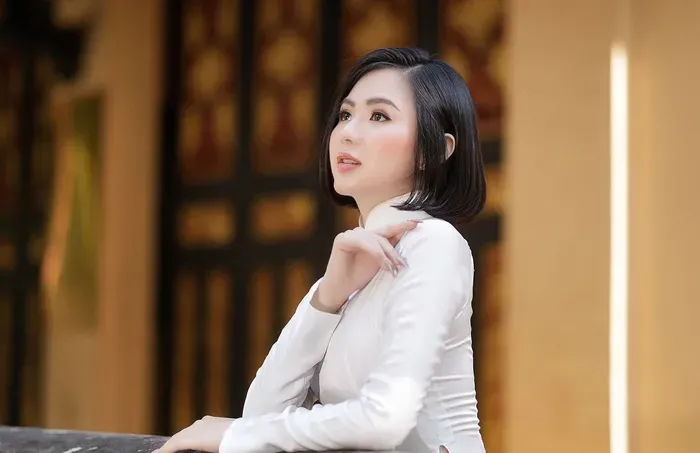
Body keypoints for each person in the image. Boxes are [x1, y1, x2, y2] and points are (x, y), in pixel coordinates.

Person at [156, 47, 487, 453]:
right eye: (345, 115)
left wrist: (232, 435)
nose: (347, 132)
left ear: (435, 150)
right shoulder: (351, 265)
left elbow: (385, 419)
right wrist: (327, 298)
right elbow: (260, 412)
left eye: (379, 116)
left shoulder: (434, 244)